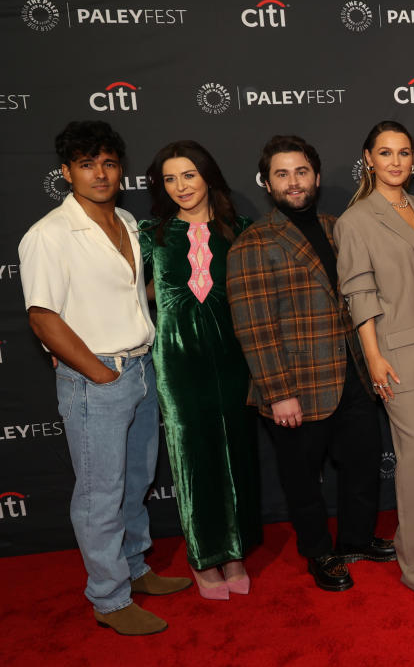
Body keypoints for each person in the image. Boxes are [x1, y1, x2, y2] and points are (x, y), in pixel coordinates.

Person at [20, 121, 190, 635]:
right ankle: (109, 598)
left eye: (109, 163)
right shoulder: (48, 234)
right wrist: (98, 372)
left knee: (135, 482)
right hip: (98, 376)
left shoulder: (128, 221)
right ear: (67, 171)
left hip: (141, 365)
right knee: (100, 493)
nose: (100, 173)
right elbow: (43, 317)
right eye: (87, 164)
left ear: (121, 169)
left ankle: (135, 569)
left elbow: (133, 296)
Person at [227, 135, 394, 594]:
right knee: (303, 480)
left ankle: (356, 539)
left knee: (361, 465)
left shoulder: (338, 226)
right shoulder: (253, 243)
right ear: (267, 182)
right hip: (296, 385)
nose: (293, 181)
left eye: (301, 172)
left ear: (316, 177)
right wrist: (278, 392)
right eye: (282, 174)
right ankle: (319, 551)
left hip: (353, 374)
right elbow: (253, 326)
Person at [335, 121, 414, 595]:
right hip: (397, 356)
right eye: (385, 153)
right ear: (368, 158)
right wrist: (374, 357)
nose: (396, 162)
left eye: (404, 153)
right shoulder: (356, 220)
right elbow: (359, 293)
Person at [139, 140, 262, 600]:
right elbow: (127, 293)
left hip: (233, 358)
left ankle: (234, 552)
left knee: (235, 453)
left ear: (207, 175)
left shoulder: (241, 229)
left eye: (188, 175)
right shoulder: (151, 233)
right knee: (191, 456)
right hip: (178, 362)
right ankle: (204, 558)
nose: (180, 186)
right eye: (169, 179)